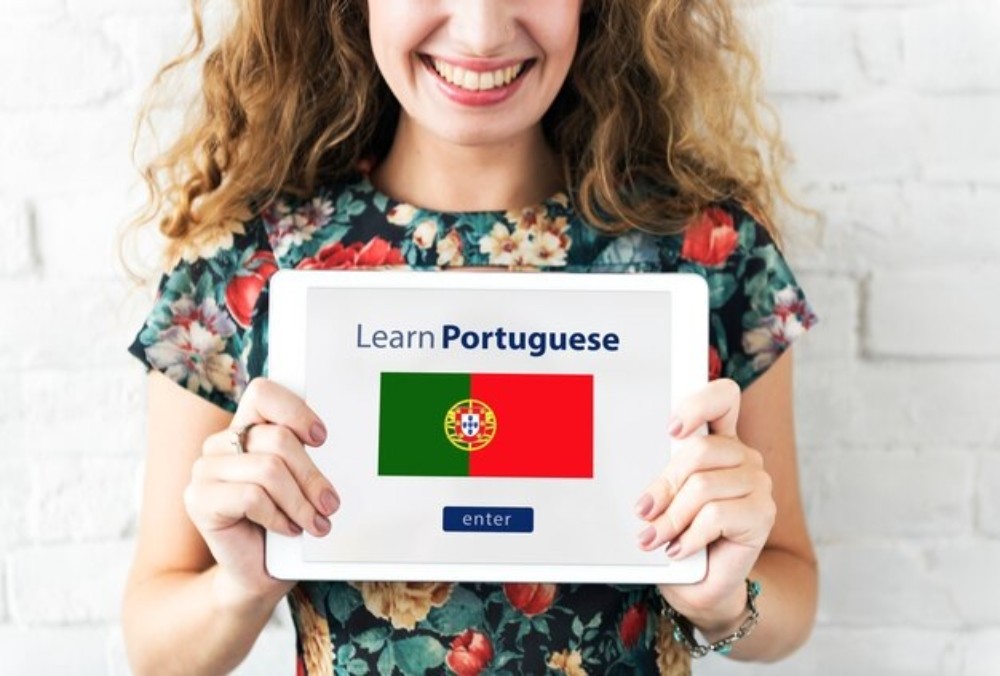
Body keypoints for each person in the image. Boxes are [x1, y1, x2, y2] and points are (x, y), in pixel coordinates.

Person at [121, 1, 819, 674]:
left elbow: (792, 594)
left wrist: (724, 599)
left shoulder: (713, 251)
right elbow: (155, 650)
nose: (481, 32)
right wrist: (240, 586)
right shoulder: (245, 261)